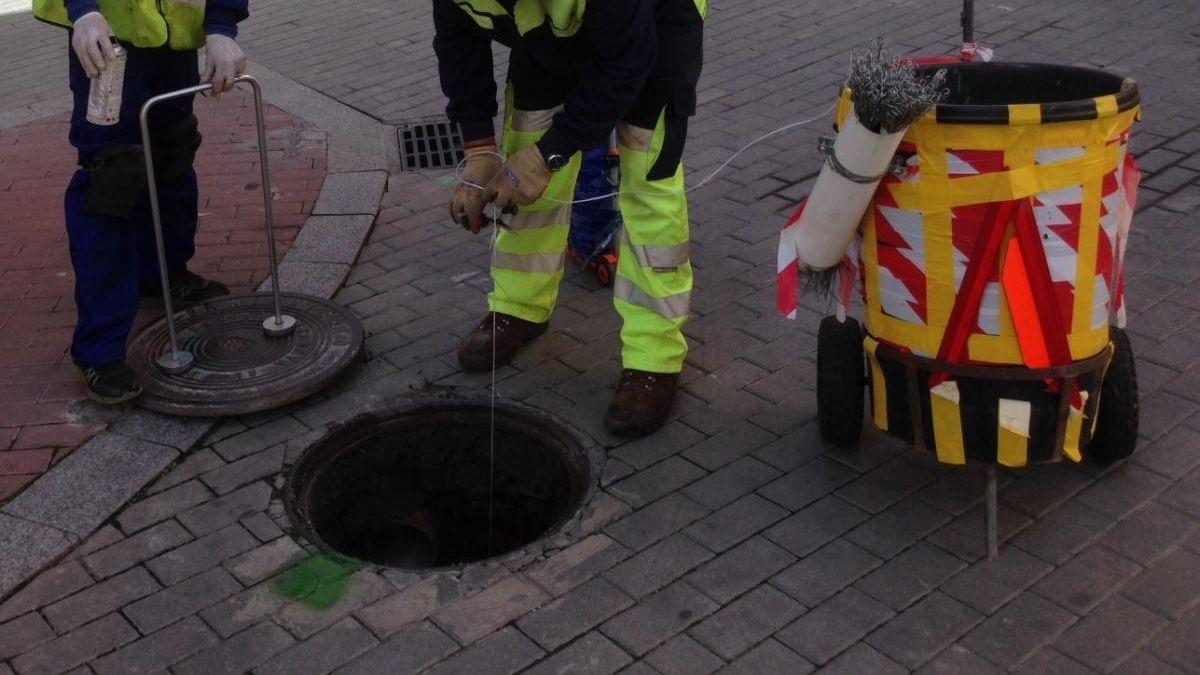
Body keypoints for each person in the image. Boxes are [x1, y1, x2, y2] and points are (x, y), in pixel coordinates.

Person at [435, 0, 706, 437]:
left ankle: (653, 358)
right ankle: (518, 308)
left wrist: (550, 154)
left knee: (648, 190)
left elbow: (625, 65)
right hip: (546, 38)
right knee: (518, 169)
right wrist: (480, 150)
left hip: (655, 30)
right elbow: (458, 45)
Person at [32, 0, 250, 403]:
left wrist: (222, 25)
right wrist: (84, 11)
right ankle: (100, 349)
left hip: (173, 41)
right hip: (106, 38)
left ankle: (163, 275)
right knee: (112, 178)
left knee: (173, 154)